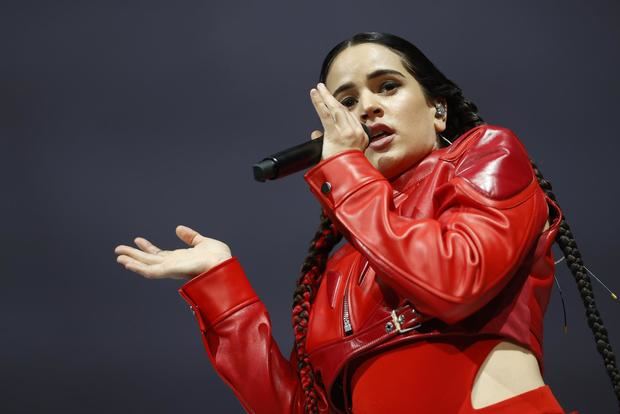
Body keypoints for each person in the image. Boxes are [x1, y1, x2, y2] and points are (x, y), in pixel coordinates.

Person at [114, 32, 619, 413]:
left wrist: (343, 173)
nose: (368, 107)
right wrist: (220, 286)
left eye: (388, 86)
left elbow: (454, 281)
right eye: (348, 102)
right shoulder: (340, 261)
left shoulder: (486, 156)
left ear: (438, 109)